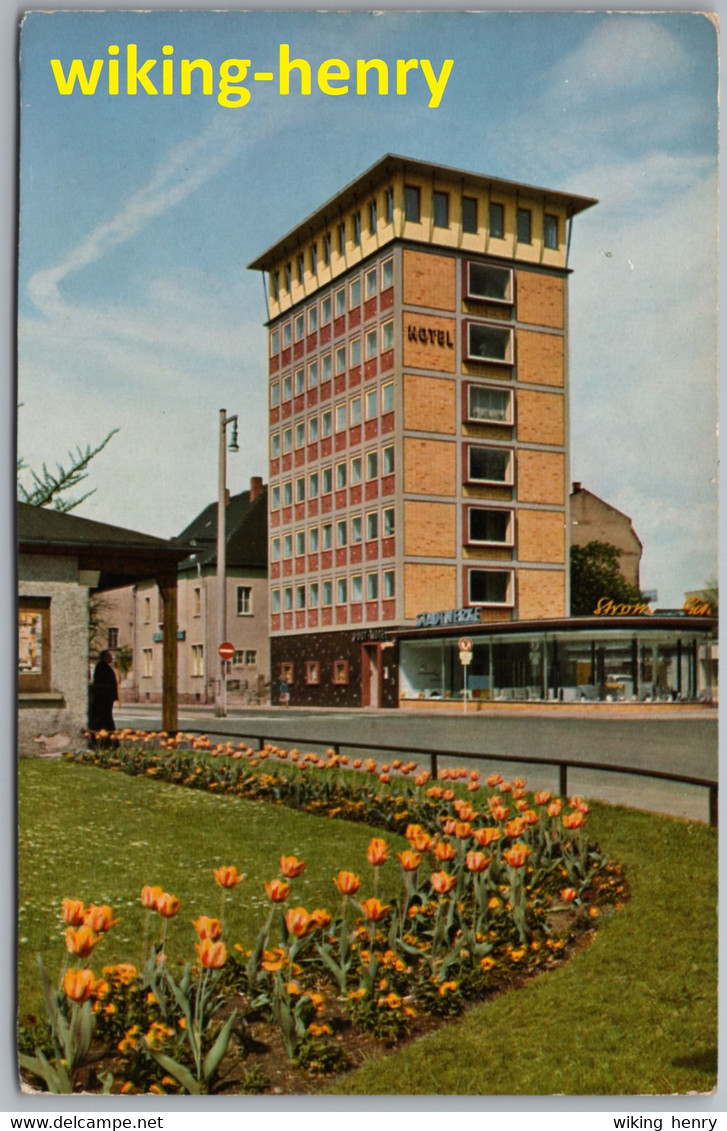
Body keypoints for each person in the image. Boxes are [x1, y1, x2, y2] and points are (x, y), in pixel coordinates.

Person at [88, 650, 119, 746]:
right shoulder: (102, 667)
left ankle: (107, 741)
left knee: (106, 720)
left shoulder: (104, 667)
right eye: (110, 656)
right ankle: (105, 741)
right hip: (102, 700)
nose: (112, 658)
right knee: (104, 721)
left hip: (105, 699)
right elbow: (103, 683)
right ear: (105, 657)